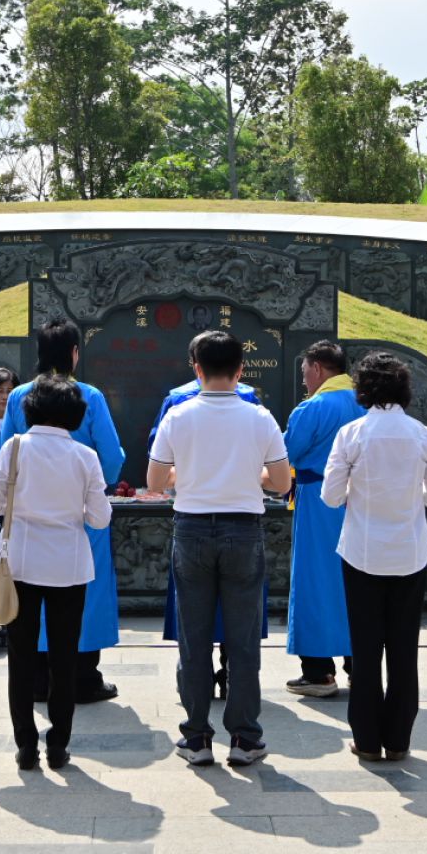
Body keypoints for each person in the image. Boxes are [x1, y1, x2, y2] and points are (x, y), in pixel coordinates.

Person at [148, 329, 291, 767]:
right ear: (240, 370)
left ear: (197, 369)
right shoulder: (260, 417)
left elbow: (156, 481)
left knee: (194, 640)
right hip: (243, 531)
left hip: (191, 529)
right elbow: (281, 483)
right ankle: (245, 738)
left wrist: (188, 475)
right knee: (243, 640)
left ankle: (196, 738)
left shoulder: (178, 415)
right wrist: (250, 475)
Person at [321, 352, 427, 761]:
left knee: (365, 649)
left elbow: (330, 496)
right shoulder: (422, 434)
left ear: (362, 389)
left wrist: (360, 492)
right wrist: (413, 498)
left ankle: (366, 739)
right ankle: (398, 740)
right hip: (410, 551)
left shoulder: (352, 433)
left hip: (362, 551)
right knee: (403, 649)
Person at [0, 375, 113, 770]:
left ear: (31, 408)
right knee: (64, 657)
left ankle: (26, 744)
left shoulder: (14, 447)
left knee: (21, 657)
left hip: (21, 563)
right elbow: (100, 518)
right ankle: (58, 744)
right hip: (69, 565)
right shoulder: (84, 456)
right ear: (75, 414)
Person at [0, 319, 125, 704]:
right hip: (80, 515)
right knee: (86, 595)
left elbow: (5, 452)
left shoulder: (18, 396)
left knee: (30, 597)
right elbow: (112, 458)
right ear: (74, 353)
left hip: (28, 516)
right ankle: (83, 677)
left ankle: (37, 679)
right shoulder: (90, 396)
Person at [150, 369, 262, 698]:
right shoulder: (250, 401)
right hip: (241, 518)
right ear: (238, 366)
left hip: (193, 515)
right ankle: (234, 682)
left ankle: (194, 696)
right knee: (240, 613)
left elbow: (158, 458)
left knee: (193, 614)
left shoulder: (177, 401)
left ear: (196, 365)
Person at [283, 340, 365, 697]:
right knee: (356, 581)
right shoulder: (365, 403)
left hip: (318, 500)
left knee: (314, 581)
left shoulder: (312, 407)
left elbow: (286, 452)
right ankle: (359, 667)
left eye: (305, 372)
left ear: (317, 368)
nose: (304, 380)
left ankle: (318, 672)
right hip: (361, 500)